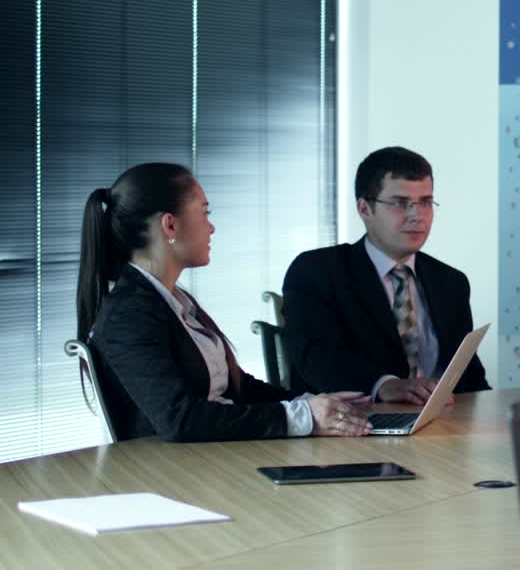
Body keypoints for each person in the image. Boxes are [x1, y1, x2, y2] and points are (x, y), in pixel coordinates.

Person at [77, 163, 371, 442]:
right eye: (204, 213)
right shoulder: (128, 315)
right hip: (176, 468)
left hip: (214, 454)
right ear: (170, 225)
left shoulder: (173, 301)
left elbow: (237, 388)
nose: (212, 227)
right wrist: (302, 417)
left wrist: (311, 404)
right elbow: (180, 419)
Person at [283, 147, 489, 402]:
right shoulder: (317, 271)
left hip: (441, 420)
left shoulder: (451, 282)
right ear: (364, 209)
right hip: (354, 419)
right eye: (400, 203)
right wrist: (384, 385)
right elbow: (316, 357)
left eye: (425, 202)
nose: (417, 216)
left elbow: (469, 377)